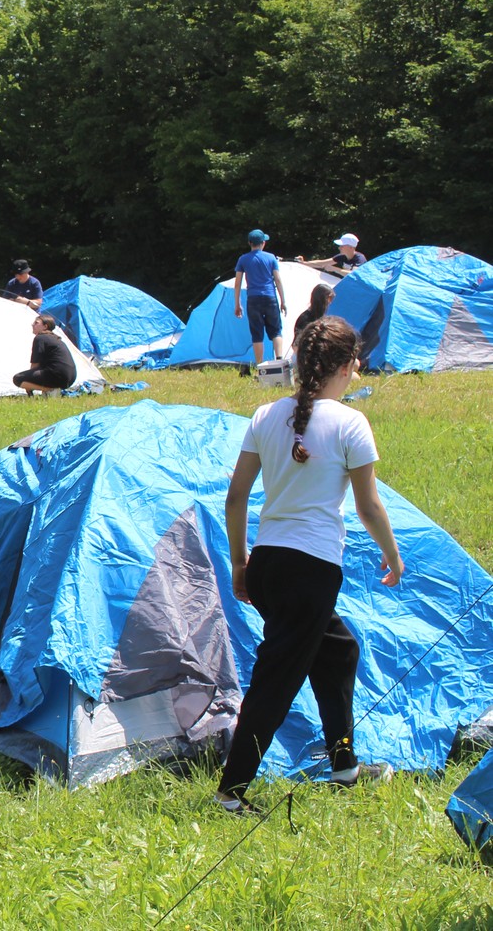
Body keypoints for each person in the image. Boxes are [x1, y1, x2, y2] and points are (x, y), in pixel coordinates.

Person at [215, 317, 402, 814]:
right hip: (309, 573)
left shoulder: (264, 414)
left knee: (338, 652)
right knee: (275, 681)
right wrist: (392, 553)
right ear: (345, 367)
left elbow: (236, 499)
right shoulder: (349, 422)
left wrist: (239, 565)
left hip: (269, 565)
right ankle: (230, 794)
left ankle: (344, 765)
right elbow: (368, 506)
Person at [233, 229, 288, 367]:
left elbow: (237, 283)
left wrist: (237, 304)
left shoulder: (243, 259)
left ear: (249, 243)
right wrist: (283, 301)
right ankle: (279, 360)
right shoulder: (271, 258)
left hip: (253, 299)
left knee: (257, 333)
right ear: (263, 243)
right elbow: (278, 280)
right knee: (276, 330)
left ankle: (260, 365)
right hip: (270, 297)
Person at [13, 314, 77, 394]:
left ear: (45, 326)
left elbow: (35, 364)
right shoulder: (55, 338)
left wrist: (29, 381)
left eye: (36, 323)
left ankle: (49, 389)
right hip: (71, 378)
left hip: (57, 376)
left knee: (17, 379)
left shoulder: (40, 338)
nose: (32, 324)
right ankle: (50, 391)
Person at [297, 233, 368, 278]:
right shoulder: (342, 256)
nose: (339, 247)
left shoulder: (360, 258)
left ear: (351, 247)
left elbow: (353, 275)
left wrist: (334, 269)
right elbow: (322, 263)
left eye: (342, 246)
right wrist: (303, 263)